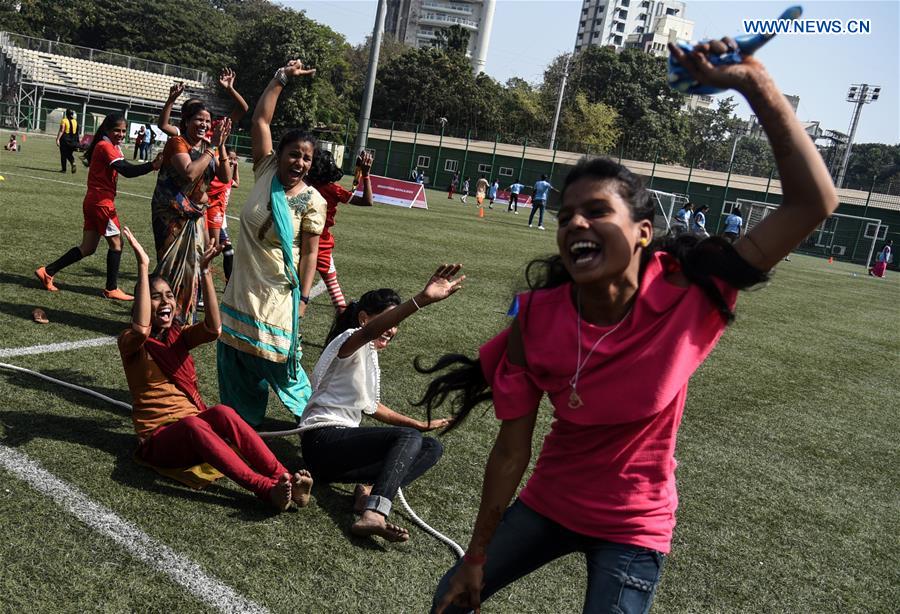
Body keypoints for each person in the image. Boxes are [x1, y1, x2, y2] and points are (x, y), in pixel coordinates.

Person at [420, 37, 839, 613]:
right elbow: (511, 451)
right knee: (449, 599)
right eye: (566, 216)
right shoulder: (536, 318)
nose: (575, 224)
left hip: (633, 525)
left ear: (643, 231)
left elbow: (813, 203)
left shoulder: (693, 293)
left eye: (596, 211)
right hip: (549, 502)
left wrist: (754, 84)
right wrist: (474, 558)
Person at [117, 227, 313, 511]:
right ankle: (264, 489)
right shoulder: (130, 343)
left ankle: (284, 477)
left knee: (222, 412)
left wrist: (205, 271)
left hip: (194, 428)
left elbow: (214, 328)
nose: (166, 302)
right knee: (194, 424)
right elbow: (141, 327)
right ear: (143, 302)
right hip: (158, 440)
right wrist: (143, 265)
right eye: (156, 297)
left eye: (169, 296)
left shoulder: (179, 335)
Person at [298, 267, 463, 542]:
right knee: (409, 438)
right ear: (364, 319)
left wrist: (419, 424)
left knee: (431, 446)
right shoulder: (349, 339)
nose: (392, 329)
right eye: (388, 320)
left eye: (395, 324)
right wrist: (421, 299)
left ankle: (368, 491)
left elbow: (371, 406)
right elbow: (372, 331)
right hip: (321, 442)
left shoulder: (368, 351)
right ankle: (374, 513)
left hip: (337, 458)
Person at [216, 59, 326, 428]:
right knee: (234, 358)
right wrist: (280, 79)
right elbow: (260, 120)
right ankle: (241, 425)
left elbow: (310, 253)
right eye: (294, 153)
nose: (299, 162)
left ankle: (320, 425)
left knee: (280, 363)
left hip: (278, 294)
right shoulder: (264, 170)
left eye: (307, 158)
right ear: (279, 154)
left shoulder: (313, 201)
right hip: (241, 289)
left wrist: (306, 299)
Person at [36, 113, 163, 300]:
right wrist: (152, 165)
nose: (121, 134)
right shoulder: (105, 146)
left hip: (93, 201)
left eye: (123, 131)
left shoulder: (109, 145)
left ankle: (47, 271)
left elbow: (124, 165)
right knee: (116, 244)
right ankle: (111, 289)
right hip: (101, 203)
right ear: (107, 130)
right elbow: (126, 170)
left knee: (88, 248)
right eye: (117, 130)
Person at [150, 100, 232, 324]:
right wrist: (210, 149)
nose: (203, 125)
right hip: (170, 213)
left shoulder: (208, 147)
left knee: (193, 266)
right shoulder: (178, 143)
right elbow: (189, 173)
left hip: (194, 215)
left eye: (207, 121)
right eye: (199, 120)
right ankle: (156, 316)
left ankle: (182, 318)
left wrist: (221, 146)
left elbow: (225, 177)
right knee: (169, 265)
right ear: (186, 121)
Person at [306, 149, 375, 313]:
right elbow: (367, 201)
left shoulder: (302, 184)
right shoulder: (333, 189)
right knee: (333, 286)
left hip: (300, 240)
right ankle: (344, 324)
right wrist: (365, 174)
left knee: (295, 288)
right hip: (322, 243)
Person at [158, 68, 249, 141]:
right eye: (194, 110)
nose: (203, 124)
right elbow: (163, 126)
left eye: (200, 107)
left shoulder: (215, 128)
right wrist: (171, 100)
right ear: (187, 119)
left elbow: (243, 108)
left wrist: (230, 89)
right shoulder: (182, 133)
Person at [205, 148, 240, 283]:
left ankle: (228, 283)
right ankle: (201, 289)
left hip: (220, 218)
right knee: (211, 252)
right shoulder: (220, 179)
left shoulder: (227, 178)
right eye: (230, 158)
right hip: (213, 217)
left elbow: (236, 183)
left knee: (227, 251)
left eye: (234, 159)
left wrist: (235, 168)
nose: (232, 161)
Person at [57, 109, 79, 174]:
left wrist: (57, 139)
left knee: (63, 154)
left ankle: (64, 169)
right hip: (73, 140)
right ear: (72, 114)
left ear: (66, 114)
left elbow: (62, 130)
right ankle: (73, 162)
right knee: (69, 154)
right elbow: (77, 132)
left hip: (65, 139)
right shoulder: (75, 121)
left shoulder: (64, 120)